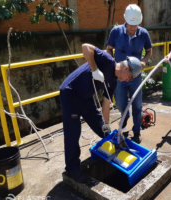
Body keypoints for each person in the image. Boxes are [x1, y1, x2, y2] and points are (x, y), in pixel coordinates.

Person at [60, 43, 142, 183]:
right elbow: (85, 47)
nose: (128, 80)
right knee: (73, 131)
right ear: (126, 68)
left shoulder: (114, 82)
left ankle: (111, 150)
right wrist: (94, 69)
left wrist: (106, 123)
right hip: (71, 93)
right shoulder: (107, 60)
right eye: (129, 77)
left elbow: (106, 103)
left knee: (102, 128)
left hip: (85, 96)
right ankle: (72, 169)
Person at [106, 4, 152, 144]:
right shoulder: (116, 32)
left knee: (137, 105)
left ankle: (136, 131)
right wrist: (113, 65)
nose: (133, 28)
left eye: (136, 24)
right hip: (120, 76)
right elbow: (109, 49)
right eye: (131, 24)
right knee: (120, 103)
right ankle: (125, 114)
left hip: (136, 76)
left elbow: (149, 51)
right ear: (125, 20)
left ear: (140, 22)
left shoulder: (143, 33)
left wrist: (143, 61)